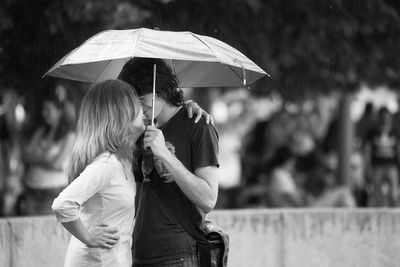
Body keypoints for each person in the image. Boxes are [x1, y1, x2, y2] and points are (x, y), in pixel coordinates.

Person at [118, 58, 220, 267]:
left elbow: (208, 199)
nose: (136, 106)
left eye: (140, 98)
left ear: (160, 91)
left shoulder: (199, 126)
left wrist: (164, 153)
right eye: (131, 100)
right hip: (139, 252)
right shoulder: (141, 130)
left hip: (178, 254)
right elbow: (135, 195)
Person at [52, 79, 146, 267]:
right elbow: (62, 204)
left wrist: (186, 107)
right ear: (122, 114)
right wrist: (88, 237)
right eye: (137, 104)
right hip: (96, 261)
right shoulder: (107, 164)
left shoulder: (123, 160)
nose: (143, 108)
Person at [21, 88, 76, 215]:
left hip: (53, 193)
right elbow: (24, 155)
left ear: (60, 111)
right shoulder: (41, 132)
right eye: (43, 109)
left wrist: (35, 158)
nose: (44, 113)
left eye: (48, 110)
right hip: (31, 190)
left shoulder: (69, 135)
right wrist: (45, 159)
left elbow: (56, 165)